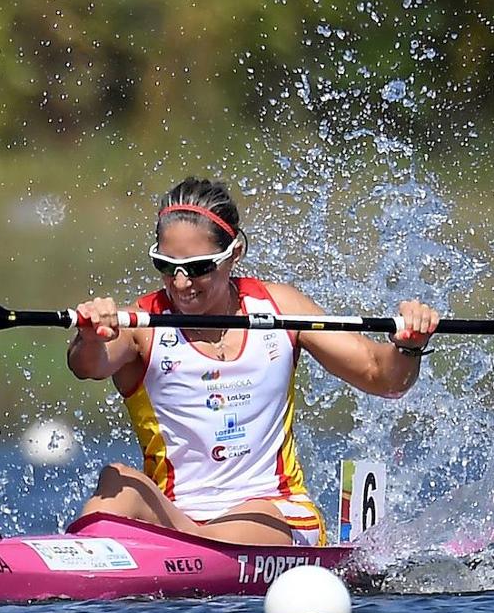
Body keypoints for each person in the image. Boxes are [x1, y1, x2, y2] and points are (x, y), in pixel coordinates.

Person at [68, 177, 439, 546]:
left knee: (260, 511)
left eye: (198, 268)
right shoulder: (142, 326)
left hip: (277, 512)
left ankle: (178, 548)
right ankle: (74, 560)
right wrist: (88, 335)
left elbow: (382, 376)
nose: (181, 284)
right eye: (166, 266)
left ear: (234, 254)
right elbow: (88, 365)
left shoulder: (281, 309)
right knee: (118, 479)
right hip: (177, 517)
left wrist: (408, 346)